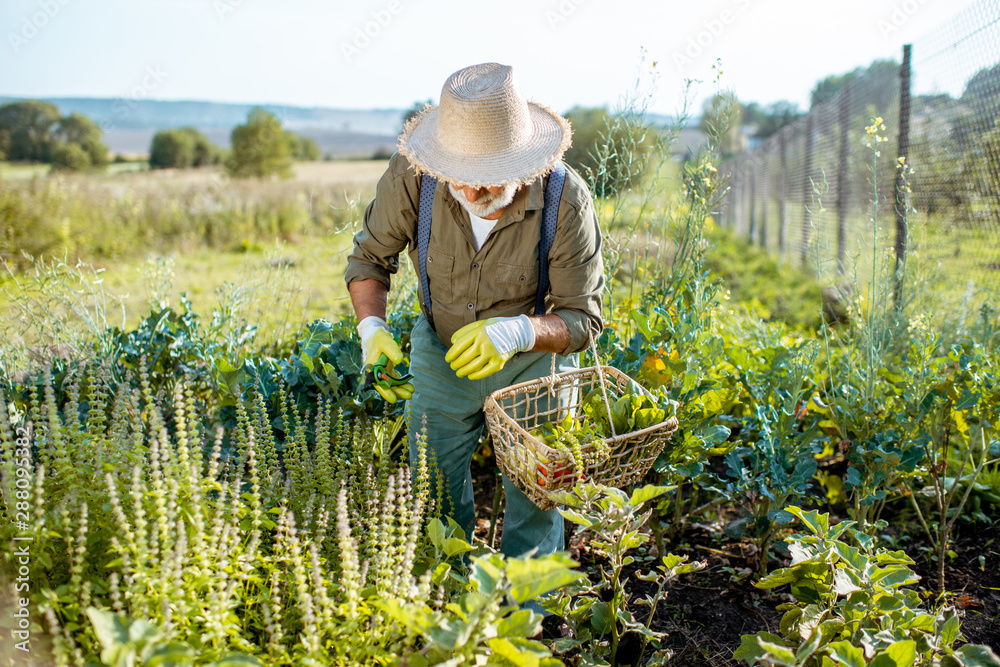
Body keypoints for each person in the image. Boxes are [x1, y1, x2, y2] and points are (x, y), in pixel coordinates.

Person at [345, 62, 604, 561]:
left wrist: (514, 333)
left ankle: (525, 618)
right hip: (442, 354)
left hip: (534, 366)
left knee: (538, 497)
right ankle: (454, 607)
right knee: (434, 491)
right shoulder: (413, 176)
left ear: (525, 163)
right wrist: (372, 329)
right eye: (459, 179)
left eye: (488, 180)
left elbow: (582, 318)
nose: (471, 192)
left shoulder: (565, 199)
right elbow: (368, 260)